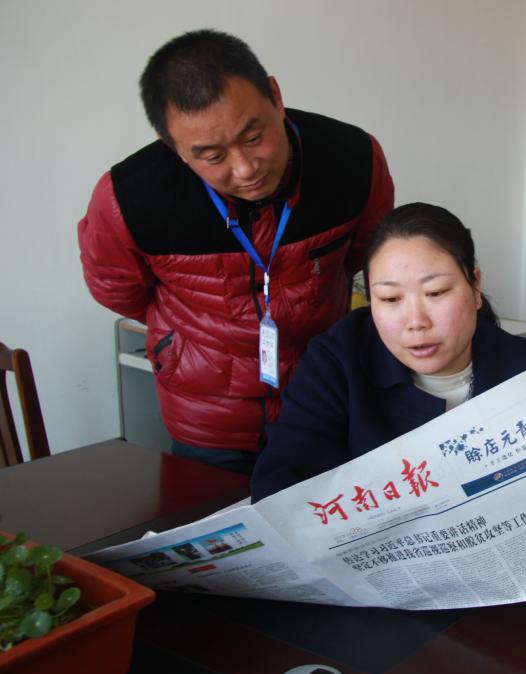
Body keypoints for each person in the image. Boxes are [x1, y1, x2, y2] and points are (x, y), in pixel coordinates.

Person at [78, 30, 394, 473]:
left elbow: (368, 255)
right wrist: (187, 339)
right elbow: (116, 289)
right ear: (172, 147)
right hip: (207, 416)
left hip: (321, 396)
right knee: (212, 514)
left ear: (276, 97)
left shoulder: (352, 158)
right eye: (212, 157)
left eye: (253, 137)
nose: (245, 170)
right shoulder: (129, 197)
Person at [251, 203, 526, 501]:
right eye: (390, 298)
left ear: (475, 286)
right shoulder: (335, 365)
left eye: (435, 293)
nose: (416, 321)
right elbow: (280, 492)